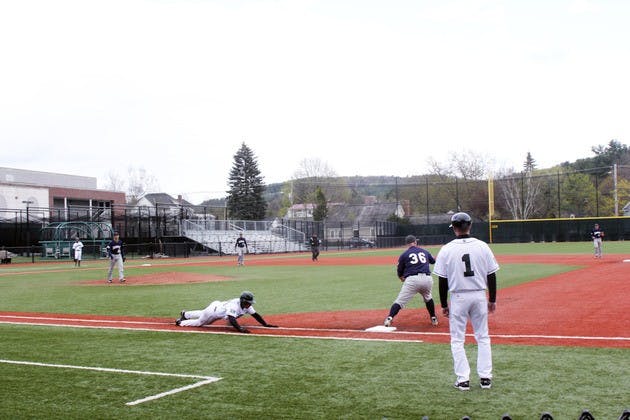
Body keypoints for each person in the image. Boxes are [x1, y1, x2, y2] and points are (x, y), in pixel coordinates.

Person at [433, 212, 499, 391]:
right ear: (470, 226)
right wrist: (492, 298)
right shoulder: (483, 246)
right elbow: (491, 274)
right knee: (483, 337)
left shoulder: (447, 249)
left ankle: (463, 380)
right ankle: (485, 378)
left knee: (457, 339)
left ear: (454, 228)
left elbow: (442, 279)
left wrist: (444, 304)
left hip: (459, 297)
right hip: (478, 295)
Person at [384, 235, 438, 328]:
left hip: (412, 280)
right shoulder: (425, 251)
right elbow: (433, 261)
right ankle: (433, 318)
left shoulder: (404, 254)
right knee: (428, 297)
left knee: (400, 301)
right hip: (427, 279)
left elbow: (399, 269)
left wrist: (401, 277)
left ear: (407, 244)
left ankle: (389, 318)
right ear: (415, 242)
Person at [175, 291, 278, 333]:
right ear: (243, 301)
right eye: (248, 302)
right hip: (213, 312)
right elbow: (232, 319)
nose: (250, 304)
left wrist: (266, 324)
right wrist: (240, 329)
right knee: (200, 323)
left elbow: (256, 315)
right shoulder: (234, 305)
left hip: (217, 305)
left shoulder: (246, 306)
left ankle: (186, 314)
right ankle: (181, 322)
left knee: (203, 312)